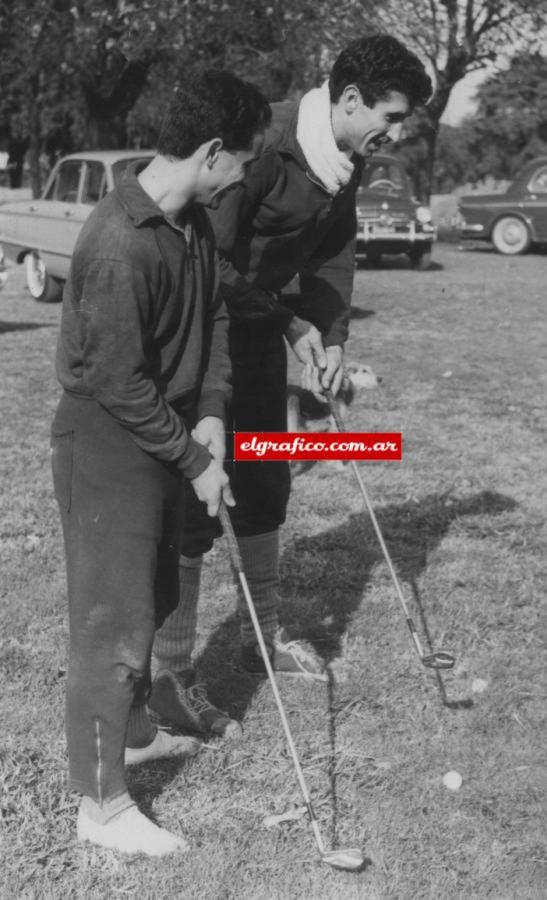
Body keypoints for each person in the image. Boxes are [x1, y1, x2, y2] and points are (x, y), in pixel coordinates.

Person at [149, 35, 432, 733]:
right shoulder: (266, 145)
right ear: (348, 100)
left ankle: (263, 636)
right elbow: (210, 262)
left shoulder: (347, 162)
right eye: (389, 118)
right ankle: (170, 678)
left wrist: (330, 337)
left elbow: (334, 262)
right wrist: (289, 322)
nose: (395, 134)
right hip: (202, 337)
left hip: (260, 337)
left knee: (267, 483)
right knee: (198, 500)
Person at [50, 68, 270, 856]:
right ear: (212, 154)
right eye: (243, 160)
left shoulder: (193, 224)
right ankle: (101, 805)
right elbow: (115, 381)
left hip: (168, 432)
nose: (245, 175)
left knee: (154, 594)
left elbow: (211, 316)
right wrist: (194, 457)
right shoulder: (117, 241)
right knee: (111, 623)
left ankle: (136, 731)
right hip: (110, 442)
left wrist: (211, 416)